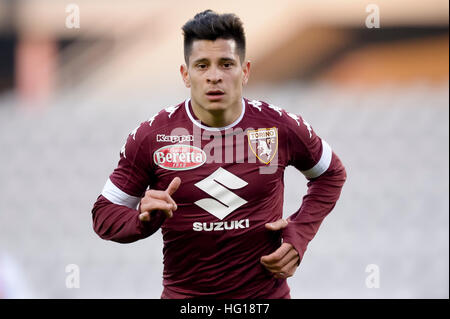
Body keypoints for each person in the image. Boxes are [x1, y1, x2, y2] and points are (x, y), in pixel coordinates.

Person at [92, 9, 346, 299]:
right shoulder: (151, 136)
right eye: (202, 66)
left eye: (226, 64)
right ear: (186, 75)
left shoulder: (280, 127)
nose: (214, 76)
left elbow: (331, 174)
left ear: (245, 70)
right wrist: (141, 219)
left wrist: (299, 233)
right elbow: (104, 215)